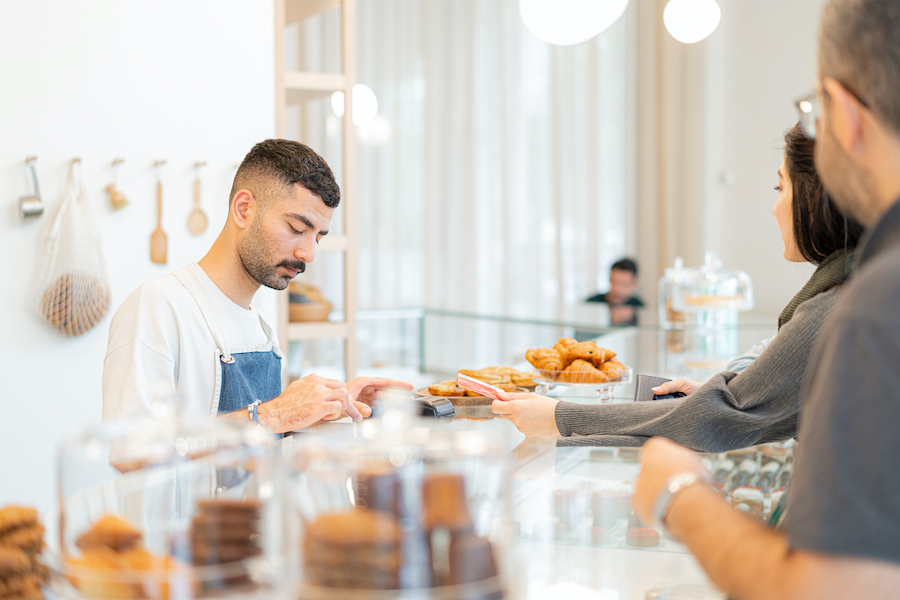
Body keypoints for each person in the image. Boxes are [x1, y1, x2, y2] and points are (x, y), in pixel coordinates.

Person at [634, 1, 900, 596]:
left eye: (814, 113)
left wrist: (678, 493)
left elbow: (829, 590)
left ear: (844, 117)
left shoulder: (875, 305)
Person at [492, 124, 864, 449]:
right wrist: (716, 395)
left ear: (814, 199)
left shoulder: (832, 309)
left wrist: (560, 417)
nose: (774, 208)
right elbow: (756, 405)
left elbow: (721, 417)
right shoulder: (855, 285)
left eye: (780, 187)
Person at [102, 140, 411, 432]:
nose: (308, 254)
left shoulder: (262, 327)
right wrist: (275, 414)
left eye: (317, 237)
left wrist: (324, 409)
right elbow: (130, 449)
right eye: (297, 228)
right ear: (243, 209)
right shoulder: (159, 305)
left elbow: (264, 438)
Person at [585, 258, 644, 325]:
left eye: (624, 284)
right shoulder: (591, 303)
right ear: (609, 279)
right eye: (614, 282)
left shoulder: (639, 307)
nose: (617, 289)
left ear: (634, 283)